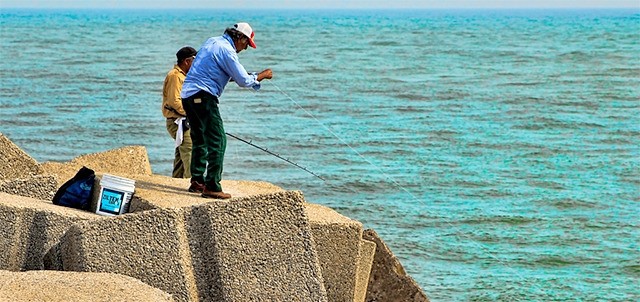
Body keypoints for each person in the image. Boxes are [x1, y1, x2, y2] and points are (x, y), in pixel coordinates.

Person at [181, 22, 273, 199]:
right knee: (218, 140)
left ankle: (197, 181)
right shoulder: (227, 51)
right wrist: (263, 75)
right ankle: (212, 186)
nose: (245, 48)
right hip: (204, 96)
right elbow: (243, 81)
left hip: (187, 95)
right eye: (247, 44)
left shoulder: (211, 42)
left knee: (200, 138)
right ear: (240, 37)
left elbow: (220, 73)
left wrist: (249, 76)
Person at [162, 46, 197, 178]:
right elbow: (174, 102)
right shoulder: (175, 76)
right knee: (190, 151)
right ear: (187, 61)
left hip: (183, 121)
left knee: (181, 154)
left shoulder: (184, 75)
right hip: (177, 122)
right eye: (195, 60)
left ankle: (177, 181)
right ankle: (192, 182)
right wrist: (193, 114)